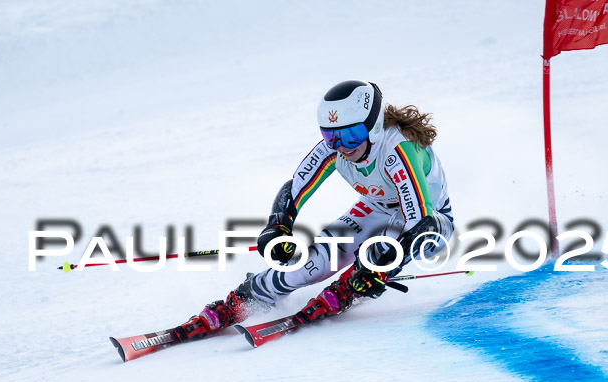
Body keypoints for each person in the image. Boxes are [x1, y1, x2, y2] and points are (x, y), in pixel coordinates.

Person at [175, 80, 455, 340]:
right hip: (376, 207)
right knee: (314, 262)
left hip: (431, 223)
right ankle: (244, 298)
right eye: (331, 136)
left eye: (352, 134)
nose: (342, 147)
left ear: (374, 127)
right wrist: (278, 226)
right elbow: (295, 189)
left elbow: (420, 222)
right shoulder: (334, 150)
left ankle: (347, 289)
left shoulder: (398, 151)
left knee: (379, 252)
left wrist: (381, 268)